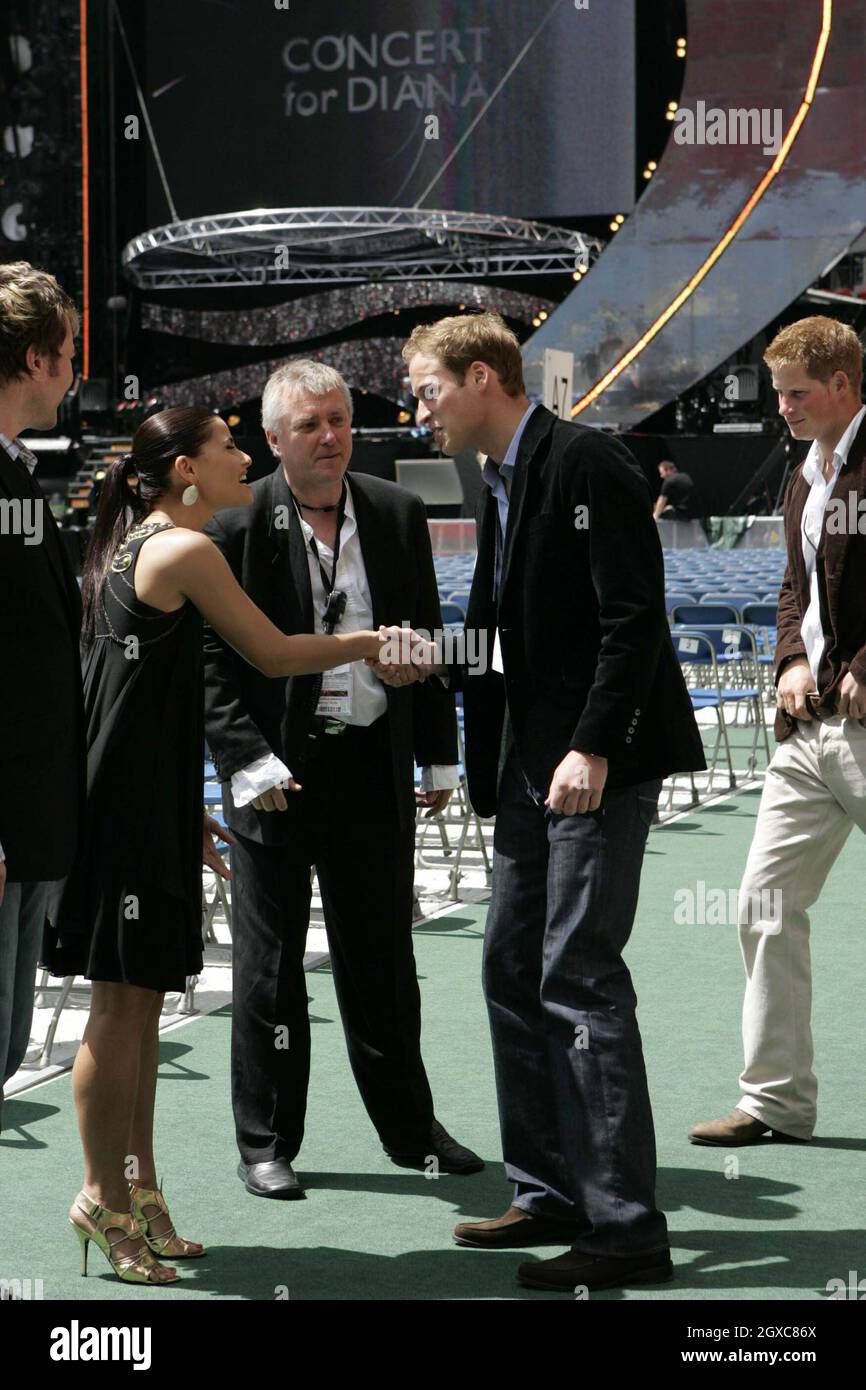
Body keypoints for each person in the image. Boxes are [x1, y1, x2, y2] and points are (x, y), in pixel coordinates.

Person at [42, 405, 403, 1285]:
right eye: (228, 446)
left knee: (139, 1011)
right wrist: (373, 640)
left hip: (142, 803)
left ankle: (142, 1195)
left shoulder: (145, 544)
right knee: (120, 1014)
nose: (245, 457)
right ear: (185, 472)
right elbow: (274, 654)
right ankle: (100, 1197)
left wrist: (175, 807)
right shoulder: (183, 547)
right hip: (125, 812)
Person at [393, 312, 705, 1293]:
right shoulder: (503, 480)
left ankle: (622, 1231)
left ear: (481, 375)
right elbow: (508, 641)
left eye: (425, 389)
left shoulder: (585, 463)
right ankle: (548, 1192)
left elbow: (630, 622)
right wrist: (430, 659)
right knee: (508, 967)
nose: (414, 411)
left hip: (588, 768)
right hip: (531, 773)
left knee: (575, 976)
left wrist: (592, 747)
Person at [202, 360, 481, 1201]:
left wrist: (436, 755)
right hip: (275, 774)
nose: (330, 437)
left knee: (384, 961)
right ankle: (266, 1141)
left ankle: (410, 1129)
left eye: (340, 421)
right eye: (310, 425)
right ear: (275, 440)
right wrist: (246, 762)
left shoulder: (395, 513)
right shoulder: (236, 525)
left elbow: (427, 637)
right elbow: (211, 663)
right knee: (269, 970)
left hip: (370, 766)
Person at [690, 316, 866, 1149]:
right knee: (764, 904)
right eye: (780, 393)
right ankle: (777, 1103)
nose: (784, 408)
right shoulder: (805, 474)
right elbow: (794, 589)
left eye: (797, 393)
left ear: (843, 385)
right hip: (807, 732)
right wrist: (791, 660)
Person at [0, 262, 84, 1134]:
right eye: (65, 353)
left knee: (9, 1045)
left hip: (30, 825)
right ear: (33, 360)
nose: (74, 371)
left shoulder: (18, 475)